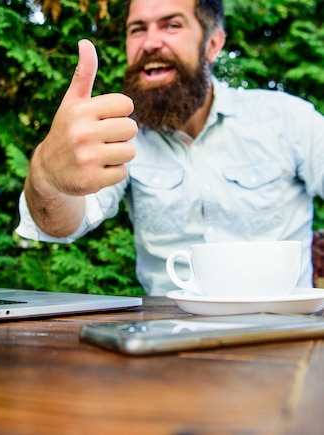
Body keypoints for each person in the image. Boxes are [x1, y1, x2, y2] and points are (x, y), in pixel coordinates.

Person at [16, 0, 324, 296]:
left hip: (287, 336)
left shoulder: (289, 120)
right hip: (169, 337)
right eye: (137, 29)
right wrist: (44, 175)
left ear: (213, 44)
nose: (150, 42)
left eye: (171, 25)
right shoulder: (119, 134)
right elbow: (60, 225)